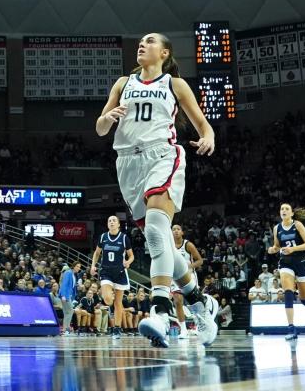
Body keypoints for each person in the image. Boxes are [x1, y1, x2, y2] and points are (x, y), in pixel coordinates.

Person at [96, 32, 219, 348]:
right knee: (162, 243)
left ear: (164, 52)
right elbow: (99, 127)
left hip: (162, 155)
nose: (142, 44)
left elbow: (204, 125)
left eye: (150, 41)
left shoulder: (175, 85)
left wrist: (208, 138)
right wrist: (107, 118)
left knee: (154, 234)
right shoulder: (123, 83)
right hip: (127, 164)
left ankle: (160, 311)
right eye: (141, 41)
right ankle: (201, 305)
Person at [269, 203, 305, 340]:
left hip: (302, 262)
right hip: (285, 263)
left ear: (292, 213)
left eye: (286, 209)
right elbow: (277, 245)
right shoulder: (276, 228)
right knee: (288, 293)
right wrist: (273, 249)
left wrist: (293, 249)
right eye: (281, 209)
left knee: (304, 299)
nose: (283, 210)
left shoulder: (297, 225)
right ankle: (291, 329)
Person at [90, 215, 134, 340]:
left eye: (114, 220)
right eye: (109, 221)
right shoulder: (103, 237)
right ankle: (109, 295)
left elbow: (132, 256)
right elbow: (97, 253)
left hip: (120, 272)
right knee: (108, 299)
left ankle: (117, 328)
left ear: (119, 224)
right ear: (107, 224)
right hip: (106, 272)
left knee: (118, 303)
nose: (111, 222)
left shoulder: (124, 238)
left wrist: (128, 262)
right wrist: (93, 266)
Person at [170, 224, 203, 338]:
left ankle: (198, 327)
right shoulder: (169, 246)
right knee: (178, 301)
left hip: (189, 277)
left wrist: (189, 268)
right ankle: (183, 330)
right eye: (173, 229)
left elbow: (200, 260)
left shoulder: (188, 245)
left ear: (182, 232)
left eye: (178, 229)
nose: (176, 231)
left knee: (194, 303)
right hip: (175, 278)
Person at [58, 262, 80, 335]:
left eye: (79, 267)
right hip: (65, 295)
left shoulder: (73, 275)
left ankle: (65, 329)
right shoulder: (68, 272)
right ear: (73, 266)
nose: (78, 268)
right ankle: (66, 329)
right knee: (70, 311)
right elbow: (64, 284)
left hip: (68, 296)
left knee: (66, 312)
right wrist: (63, 295)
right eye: (77, 266)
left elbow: (72, 287)